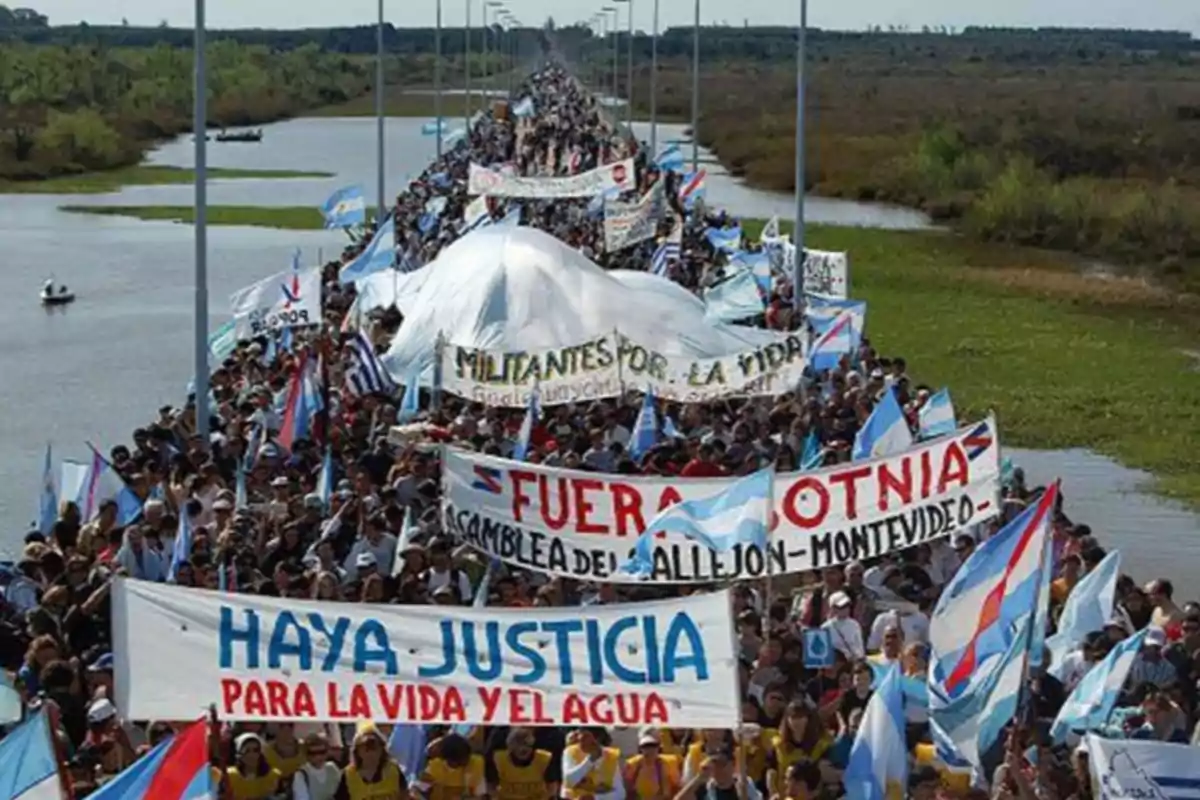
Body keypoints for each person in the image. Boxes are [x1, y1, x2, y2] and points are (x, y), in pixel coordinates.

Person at [334, 722, 407, 800]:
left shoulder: (393, 770)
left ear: (382, 750)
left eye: (374, 748)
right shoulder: (348, 775)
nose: (371, 754)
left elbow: (404, 795)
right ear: (357, 751)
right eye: (366, 749)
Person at [226, 732, 282, 800]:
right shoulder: (230, 776)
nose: (251, 755)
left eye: (255, 750)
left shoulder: (274, 776)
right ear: (239, 754)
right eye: (246, 751)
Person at [293, 732, 343, 800]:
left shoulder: (333, 769)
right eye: (313, 753)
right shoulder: (301, 775)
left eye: (322, 752)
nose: (318, 757)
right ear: (307, 754)